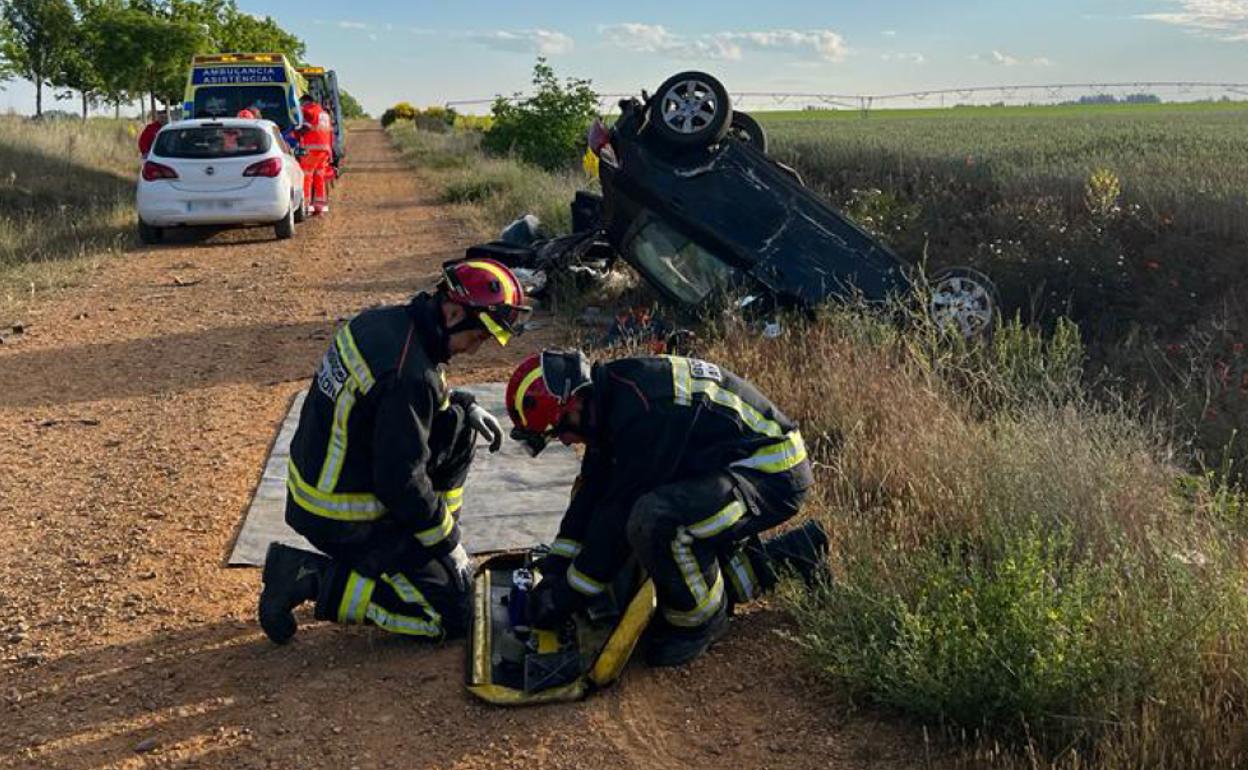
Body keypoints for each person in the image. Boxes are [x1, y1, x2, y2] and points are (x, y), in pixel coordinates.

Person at [258, 259, 531, 645]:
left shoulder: (389, 324)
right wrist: (450, 545)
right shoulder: (409, 373)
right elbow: (400, 481)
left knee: (455, 423)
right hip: (340, 514)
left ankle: (432, 548)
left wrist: (464, 405)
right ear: (453, 313)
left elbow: (401, 404)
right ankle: (308, 577)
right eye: (480, 336)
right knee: (450, 615)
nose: (476, 349)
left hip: (328, 478)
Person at [505, 351, 824, 667]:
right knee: (665, 548)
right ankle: (797, 554)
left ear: (573, 403)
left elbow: (617, 517)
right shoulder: (611, 400)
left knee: (657, 520)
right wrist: (556, 569)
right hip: (730, 467)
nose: (563, 440)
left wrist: (566, 599)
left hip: (772, 474)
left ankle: (700, 623)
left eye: (560, 429)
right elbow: (593, 494)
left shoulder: (642, 409)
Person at [295, 94, 334, 214]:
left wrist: (294, 133)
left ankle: (305, 206)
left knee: (307, 176)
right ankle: (319, 206)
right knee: (319, 177)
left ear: (305, 102)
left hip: (311, 150)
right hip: (324, 150)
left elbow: (305, 128)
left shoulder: (308, 111)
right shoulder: (324, 114)